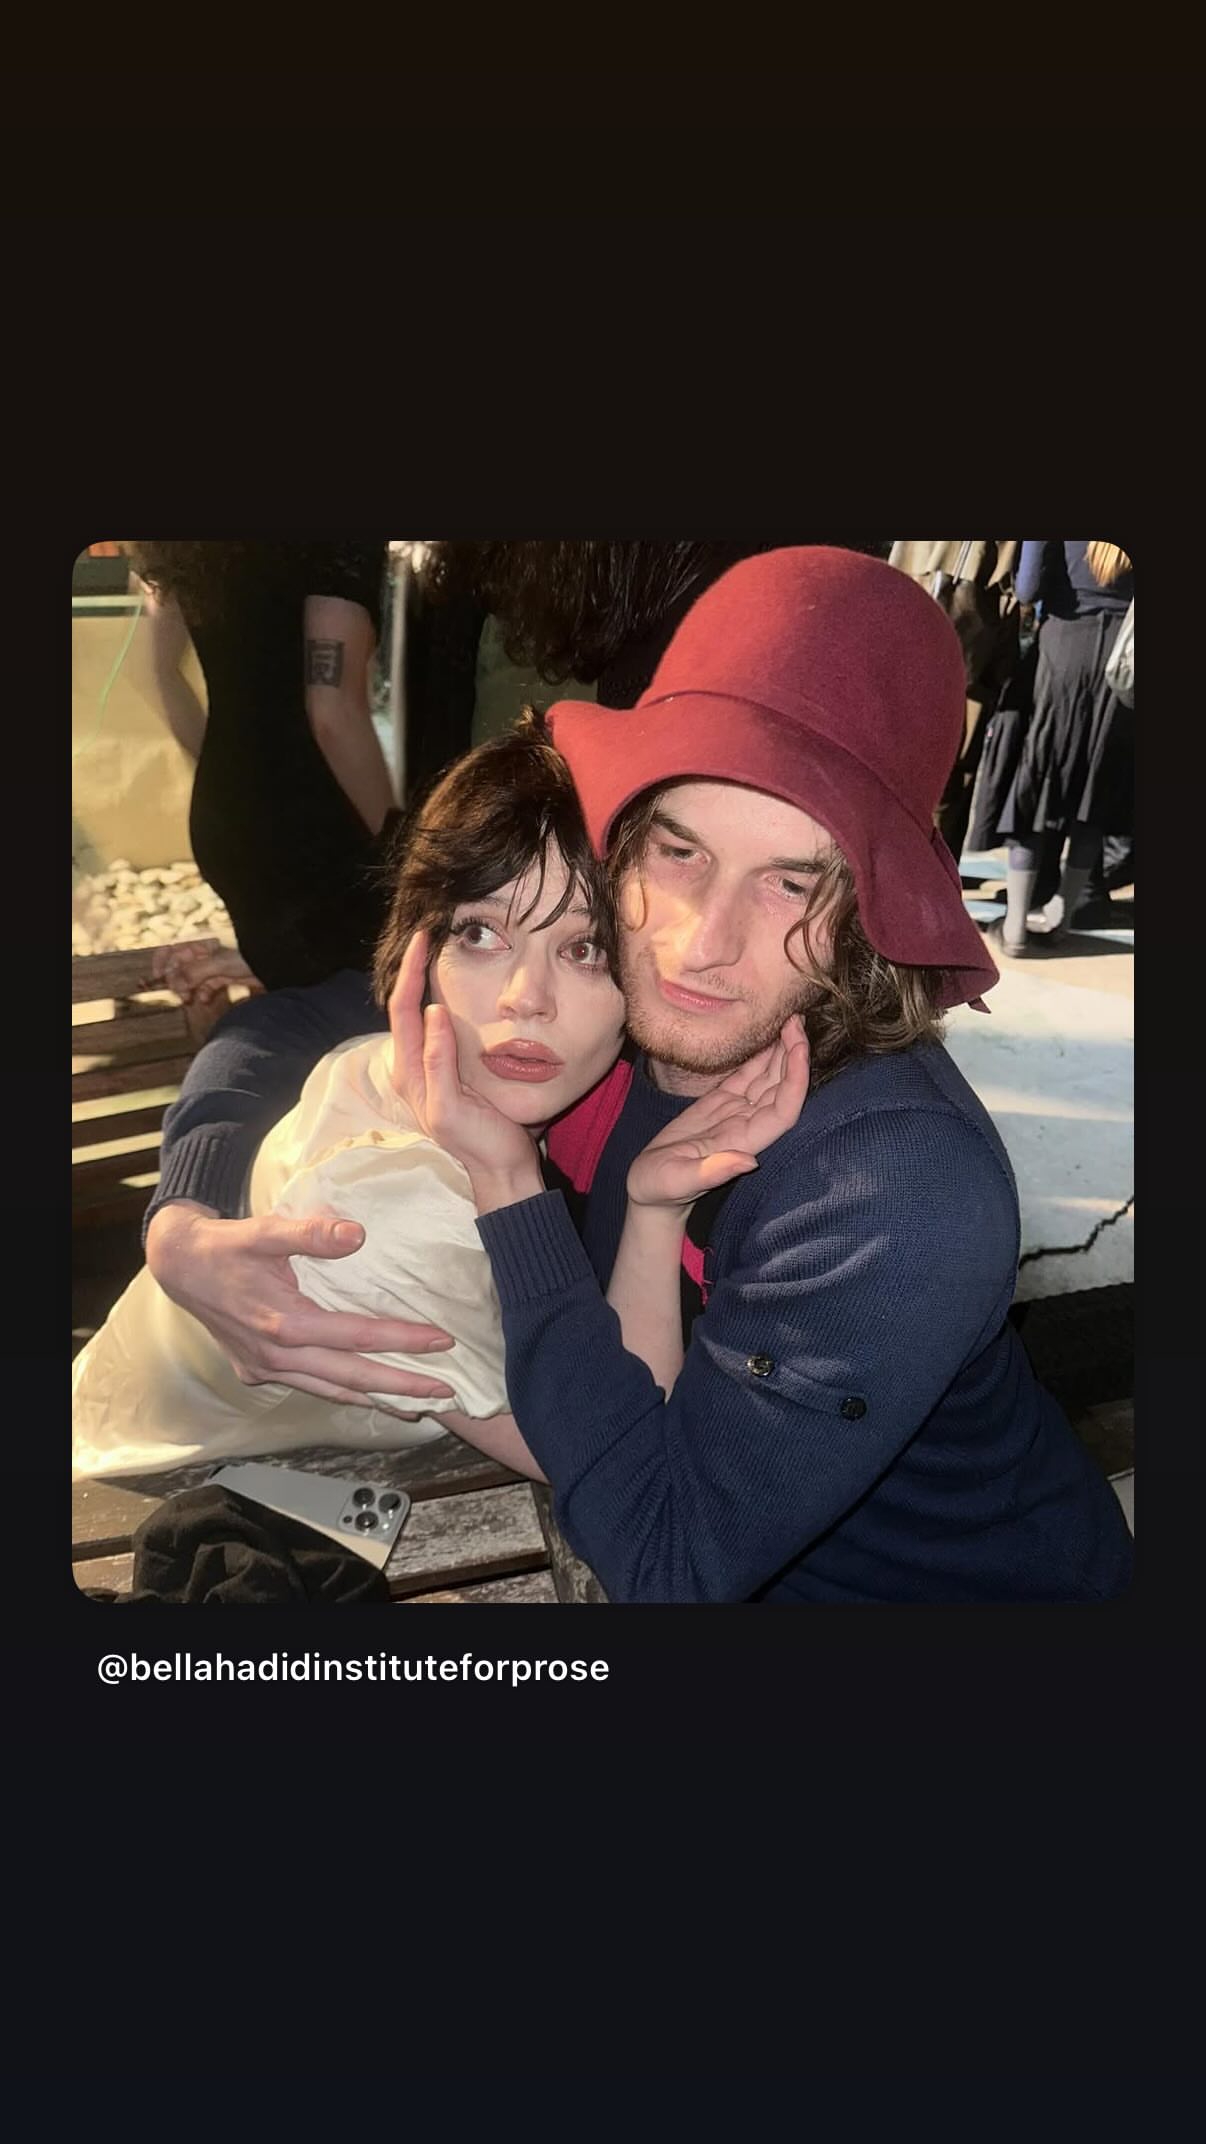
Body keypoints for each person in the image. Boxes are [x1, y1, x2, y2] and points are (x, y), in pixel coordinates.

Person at [139, 548, 1134, 1603]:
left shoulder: (890, 1189)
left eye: (791, 883)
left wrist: (510, 1188)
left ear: (867, 911)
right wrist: (183, 1221)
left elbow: (670, 1566)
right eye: (680, 852)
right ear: (620, 847)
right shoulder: (605, 989)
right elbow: (288, 1026)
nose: (701, 946)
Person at [73, 723, 631, 1480]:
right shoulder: (388, 1203)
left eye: (586, 948)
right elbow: (618, 1466)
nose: (526, 997)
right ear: (417, 953)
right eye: (479, 933)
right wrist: (183, 1216)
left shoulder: (424, 1057)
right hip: (144, 1475)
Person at [129, 541, 398, 997]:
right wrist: (400, 843)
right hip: (317, 828)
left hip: (225, 815)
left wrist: (232, 774)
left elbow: (156, 674)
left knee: (298, 993)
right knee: (378, 997)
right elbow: (331, 713)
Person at [993, 542, 1134, 956]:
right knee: (1095, 792)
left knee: (1037, 785)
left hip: (1062, 649)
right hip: (1124, 664)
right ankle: (1063, 920)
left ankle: (1015, 928)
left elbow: (1027, 588)